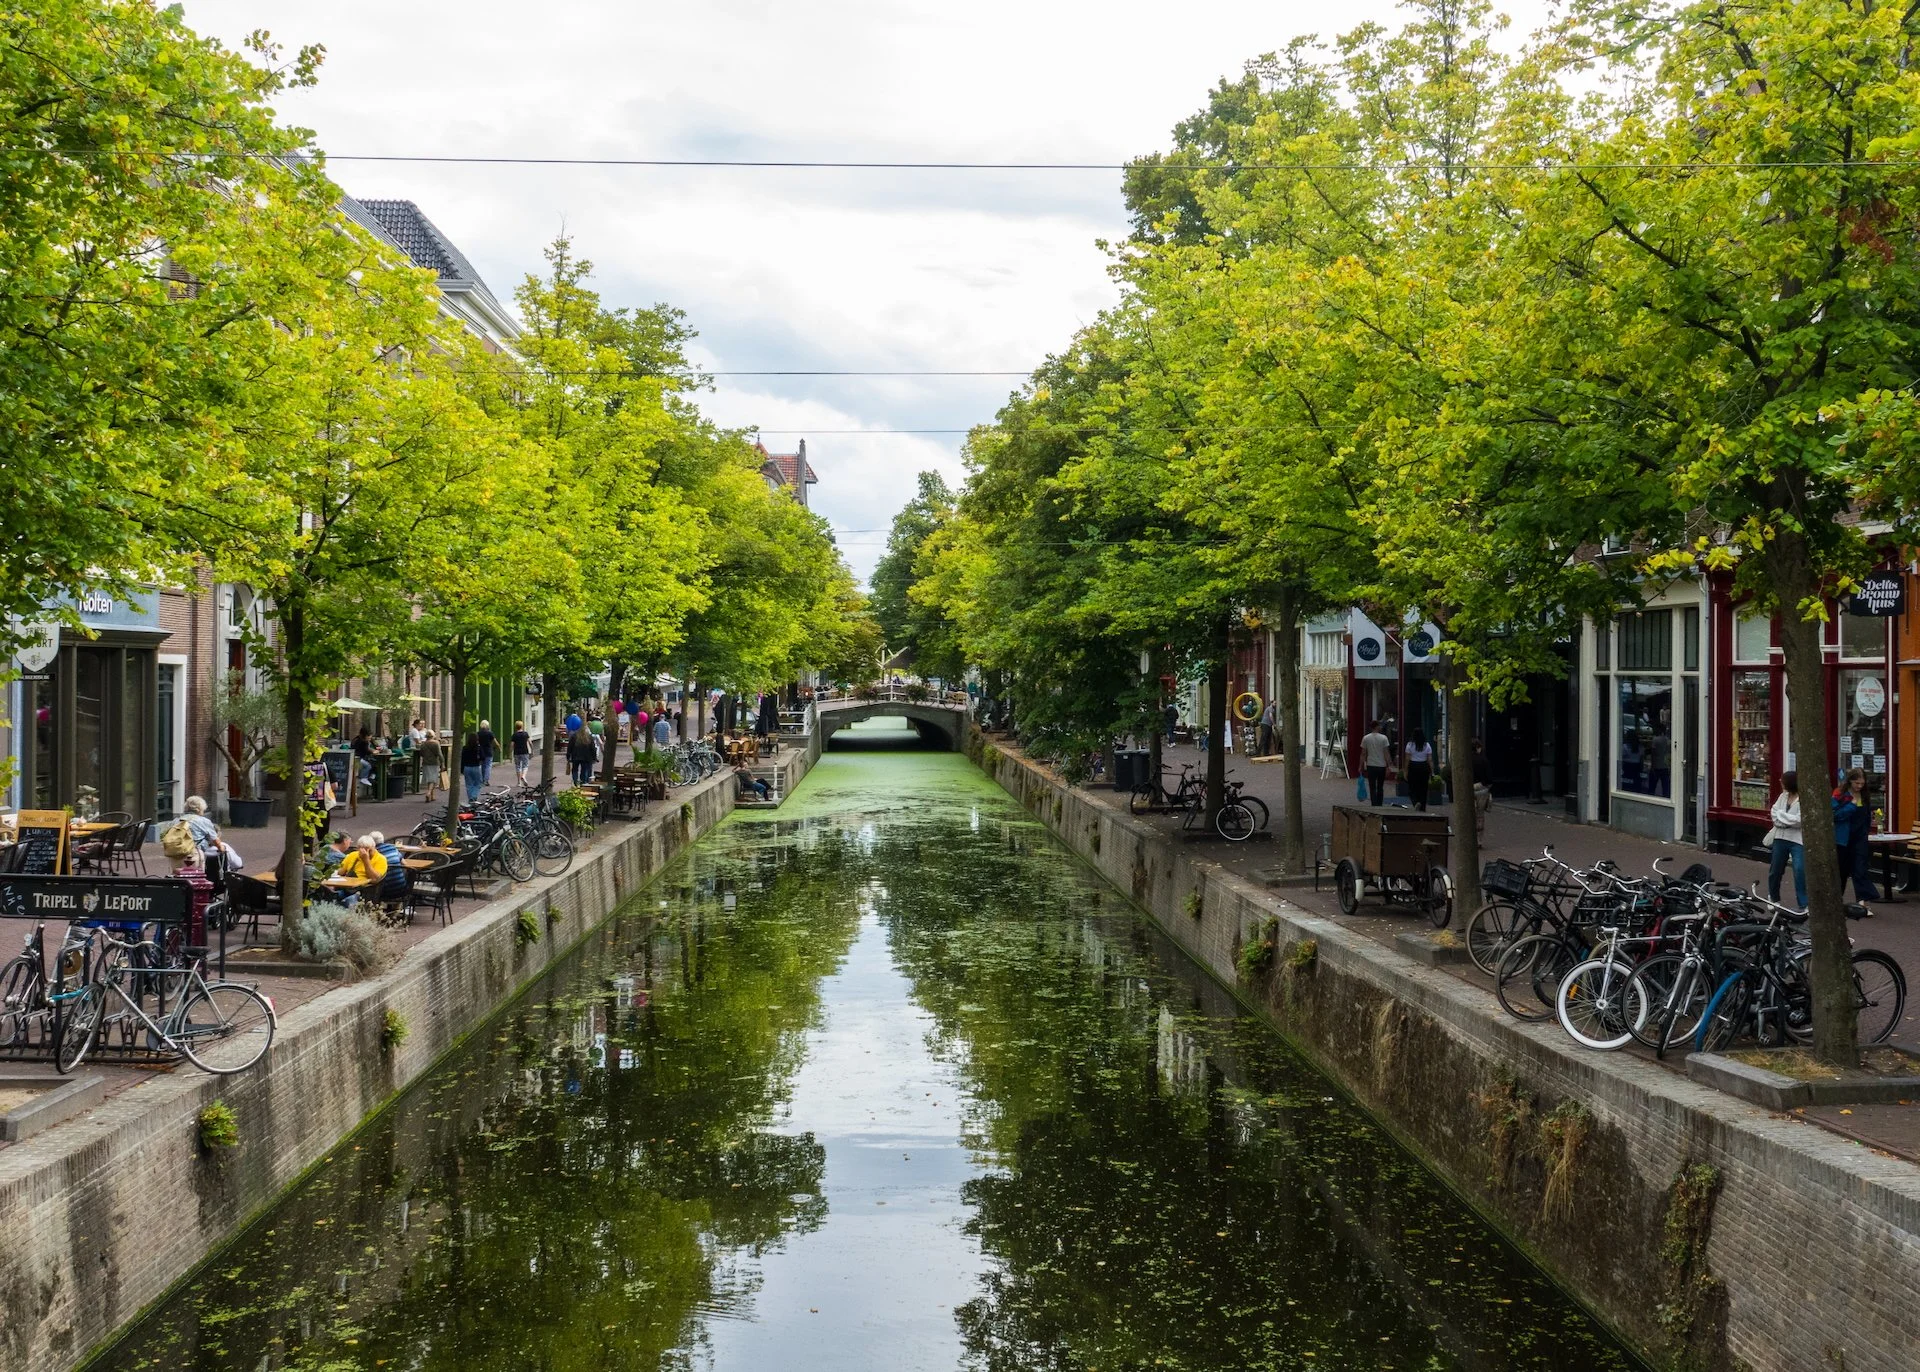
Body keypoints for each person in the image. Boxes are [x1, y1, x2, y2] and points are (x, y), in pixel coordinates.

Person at [1833, 768, 1879, 902]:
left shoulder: (1864, 795)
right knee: (1842, 871)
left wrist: (1867, 831)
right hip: (1843, 839)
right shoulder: (1840, 795)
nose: (1859, 786)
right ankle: (1837, 900)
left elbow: (1866, 815)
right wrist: (1851, 806)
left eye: (1862, 783)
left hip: (1860, 838)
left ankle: (1863, 901)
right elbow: (1834, 815)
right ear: (1850, 781)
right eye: (1856, 783)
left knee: (1860, 869)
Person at [1767, 771, 1807, 909]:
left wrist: (1781, 817)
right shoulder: (1782, 796)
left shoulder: (1803, 799)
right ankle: (1773, 897)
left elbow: (1799, 820)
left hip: (1797, 839)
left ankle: (1803, 902)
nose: (1780, 781)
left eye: (1782, 780)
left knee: (1799, 869)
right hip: (1780, 837)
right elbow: (1773, 813)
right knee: (1775, 869)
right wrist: (1785, 820)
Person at [1360, 720, 1391, 807]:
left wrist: (1360, 765)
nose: (1380, 727)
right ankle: (1379, 804)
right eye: (1379, 726)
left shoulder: (1366, 738)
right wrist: (1388, 765)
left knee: (1372, 786)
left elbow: (1363, 753)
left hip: (1371, 765)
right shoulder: (1384, 738)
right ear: (1377, 726)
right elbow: (1386, 752)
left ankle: (1374, 804)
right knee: (1380, 786)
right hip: (1381, 765)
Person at [1403, 729, 1435, 811]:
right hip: (1424, 767)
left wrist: (1405, 771)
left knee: (1412, 787)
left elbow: (1407, 759)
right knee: (1423, 788)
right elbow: (1430, 760)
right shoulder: (1427, 745)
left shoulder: (1410, 745)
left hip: (1413, 766)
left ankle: (1415, 801)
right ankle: (1422, 806)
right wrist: (1432, 771)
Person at [1470, 738, 1494, 835]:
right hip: (1481, 787)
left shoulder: (1466, 760)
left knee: (1470, 813)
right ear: (1477, 747)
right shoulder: (1483, 760)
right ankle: (1479, 839)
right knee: (1480, 814)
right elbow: (1489, 778)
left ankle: (1470, 835)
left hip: (1468, 787)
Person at [567, 723, 598, 787]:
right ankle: (583, 782)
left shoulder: (574, 736)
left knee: (575, 769)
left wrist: (568, 756)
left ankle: (576, 782)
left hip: (575, 756)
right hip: (586, 757)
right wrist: (594, 757)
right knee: (584, 770)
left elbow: (570, 747)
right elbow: (592, 748)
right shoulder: (589, 737)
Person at [418, 729, 444, 805]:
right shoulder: (436, 743)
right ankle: (428, 793)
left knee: (429, 779)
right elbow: (440, 754)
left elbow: (421, 754)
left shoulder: (423, 744)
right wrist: (443, 763)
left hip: (425, 763)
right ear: (433, 736)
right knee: (433, 779)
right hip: (434, 763)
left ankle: (432, 796)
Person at [460, 733, 487, 803]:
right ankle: (473, 796)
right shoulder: (478, 747)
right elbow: (483, 757)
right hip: (476, 767)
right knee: (478, 783)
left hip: (467, 767)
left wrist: (461, 769)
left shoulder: (465, 748)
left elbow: (462, 759)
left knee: (469, 784)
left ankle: (470, 799)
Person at [351, 725, 375, 795]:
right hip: (357, 759)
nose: (370, 739)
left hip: (354, 757)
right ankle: (364, 778)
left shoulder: (356, 739)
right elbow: (366, 750)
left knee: (371, 763)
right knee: (368, 766)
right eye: (369, 738)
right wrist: (373, 751)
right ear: (365, 736)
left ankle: (370, 776)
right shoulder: (363, 742)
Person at [476, 719, 497, 785]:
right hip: (488, 751)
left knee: (483, 766)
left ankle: (482, 779)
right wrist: (499, 747)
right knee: (488, 766)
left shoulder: (478, 733)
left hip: (481, 751)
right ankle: (486, 780)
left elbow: (476, 742)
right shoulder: (490, 733)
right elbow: (495, 741)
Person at [511, 719, 532, 784]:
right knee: (525, 765)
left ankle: (519, 782)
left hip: (517, 752)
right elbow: (530, 742)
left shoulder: (514, 735)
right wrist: (532, 750)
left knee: (518, 766)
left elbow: (512, 745)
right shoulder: (525, 734)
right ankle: (523, 776)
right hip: (525, 752)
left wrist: (510, 753)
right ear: (522, 726)